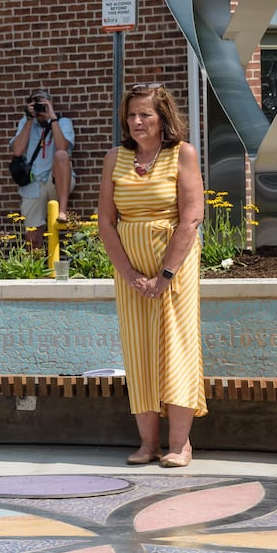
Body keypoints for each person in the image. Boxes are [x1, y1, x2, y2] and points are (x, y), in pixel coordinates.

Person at [96, 83, 205, 468]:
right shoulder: (115, 158)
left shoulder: (182, 155)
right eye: (131, 115)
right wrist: (128, 273)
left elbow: (191, 218)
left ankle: (180, 445)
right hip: (131, 274)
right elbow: (106, 222)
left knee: (175, 349)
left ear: (163, 119)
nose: (137, 122)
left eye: (145, 114)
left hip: (173, 272)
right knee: (139, 351)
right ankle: (147, 444)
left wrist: (164, 275)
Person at [9, 88, 74, 247]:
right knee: (32, 239)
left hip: (56, 181)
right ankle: (36, 269)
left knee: (61, 155)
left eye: (42, 103)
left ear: (50, 103)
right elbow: (17, 151)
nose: (39, 108)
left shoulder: (63, 122)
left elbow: (62, 147)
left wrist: (52, 119)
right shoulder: (26, 123)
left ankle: (62, 211)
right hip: (33, 184)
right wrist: (30, 119)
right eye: (35, 104)